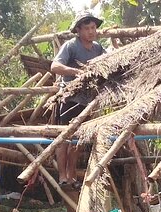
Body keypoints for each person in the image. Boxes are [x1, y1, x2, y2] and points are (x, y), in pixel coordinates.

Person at [50, 10, 105, 188]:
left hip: (86, 101)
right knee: (65, 137)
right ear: (78, 30)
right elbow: (55, 66)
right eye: (87, 28)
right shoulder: (71, 46)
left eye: (93, 27)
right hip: (70, 98)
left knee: (78, 140)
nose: (91, 31)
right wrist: (76, 72)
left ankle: (72, 176)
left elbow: (110, 59)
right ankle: (63, 176)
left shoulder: (97, 48)